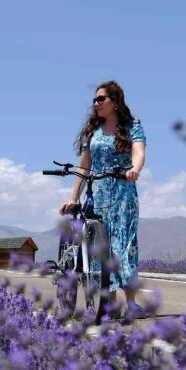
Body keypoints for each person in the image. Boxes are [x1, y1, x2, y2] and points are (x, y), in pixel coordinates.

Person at [59, 80, 146, 318]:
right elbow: (84, 167)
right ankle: (109, 305)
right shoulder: (93, 133)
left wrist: (134, 169)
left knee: (122, 246)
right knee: (101, 249)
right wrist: (73, 197)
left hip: (123, 192)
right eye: (94, 100)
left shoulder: (132, 127)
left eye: (101, 99)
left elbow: (139, 152)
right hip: (98, 195)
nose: (96, 103)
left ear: (115, 102)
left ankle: (132, 304)